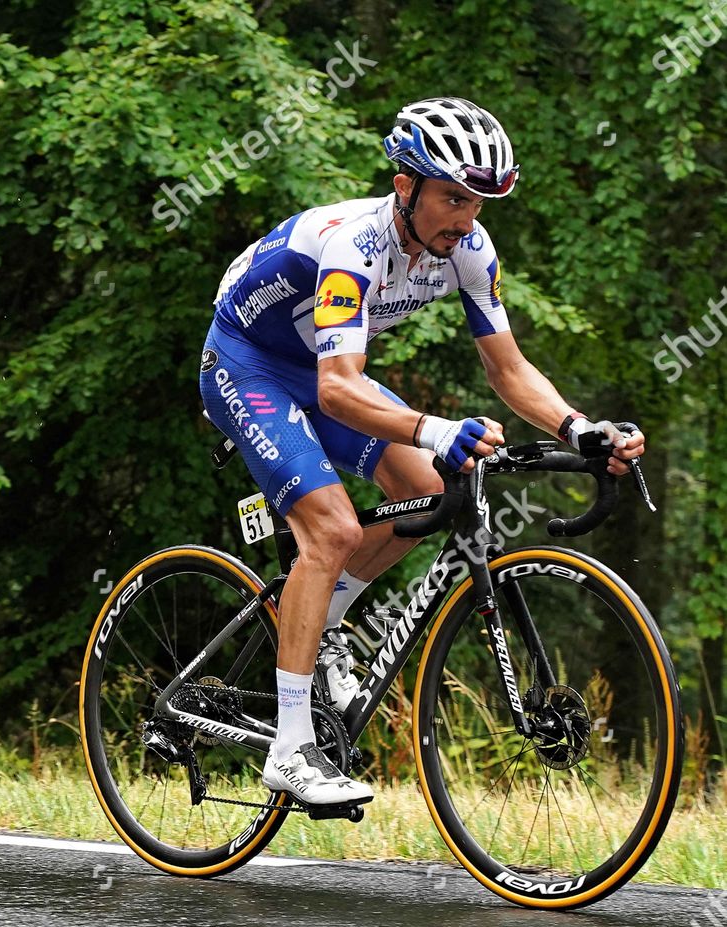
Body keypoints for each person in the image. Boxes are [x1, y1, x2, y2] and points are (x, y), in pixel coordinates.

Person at [198, 97, 646, 806]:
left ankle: (326, 624)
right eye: (452, 199)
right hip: (247, 362)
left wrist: (577, 428)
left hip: (323, 364)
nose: (466, 218)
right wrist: (436, 430)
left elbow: (508, 369)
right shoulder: (353, 246)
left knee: (437, 495)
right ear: (405, 186)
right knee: (336, 529)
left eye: (478, 203)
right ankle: (289, 748)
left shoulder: (468, 249)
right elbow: (341, 391)